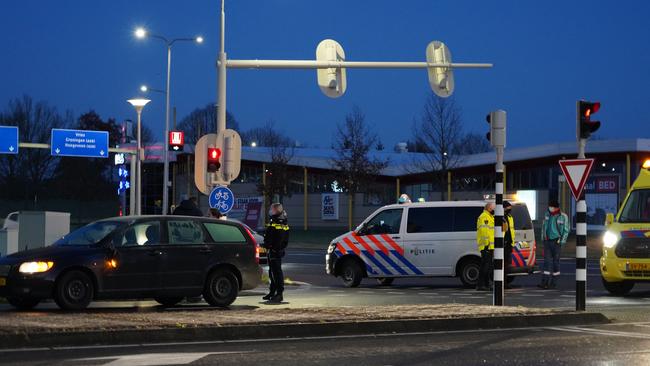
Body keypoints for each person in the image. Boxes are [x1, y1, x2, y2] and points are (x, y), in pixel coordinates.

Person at [538, 199, 570, 289]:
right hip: (547, 241)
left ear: (556, 207)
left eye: (551, 206)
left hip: (557, 242)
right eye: (549, 206)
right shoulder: (547, 214)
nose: (550, 208)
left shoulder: (563, 216)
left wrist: (562, 241)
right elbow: (543, 227)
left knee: (556, 262)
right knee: (546, 262)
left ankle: (553, 282)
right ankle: (544, 282)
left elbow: (566, 230)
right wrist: (543, 238)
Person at [263, 203, 290, 303]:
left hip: (275, 251)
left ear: (276, 210)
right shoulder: (279, 221)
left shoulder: (278, 222)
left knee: (277, 273)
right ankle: (272, 292)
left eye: (271, 209)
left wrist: (271, 247)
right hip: (274, 250)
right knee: (272, 272)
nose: (270, 210)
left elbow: (277, 237)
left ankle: (279, 294)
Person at [476, 202, 495, 291]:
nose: (493, 210)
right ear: (488, 208)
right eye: (492, 208)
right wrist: (487, 245)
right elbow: (484, 232)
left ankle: (486, 285)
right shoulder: (484, 216)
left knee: (487, 266)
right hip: (486, 246)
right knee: (485, 266)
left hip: (489, 246)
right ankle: (481, 285)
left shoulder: (490, 217)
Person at [502, 201, 516, 289]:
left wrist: (511, 243)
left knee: (506, 265)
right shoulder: (500, 217)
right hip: (502, 244)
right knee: (501, 265)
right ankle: (502, 283)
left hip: (508, 244)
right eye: (508, 208)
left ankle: (505, 283)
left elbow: (511, 231)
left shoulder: (510, 217)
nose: (510, 210)